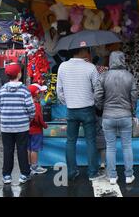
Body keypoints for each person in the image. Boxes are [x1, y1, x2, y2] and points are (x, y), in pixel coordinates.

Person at [56, 47, 103, 181]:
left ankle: (72, 172)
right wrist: (94, 102)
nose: (89, 53)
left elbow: (59, 91)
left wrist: (68, 102)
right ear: (82, 52)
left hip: (71, 109)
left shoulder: (63, 66)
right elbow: (98, 89)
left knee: (70, 141)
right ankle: (92, 173)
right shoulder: (90, 67)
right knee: (91, 141)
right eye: (88, 50)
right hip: (88, 109)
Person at [94, 51, 138, 185]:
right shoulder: (130, 76)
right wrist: (132, 110)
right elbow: (134, 97)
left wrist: (102, 109)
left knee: (110, 147)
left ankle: (112, 176)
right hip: (125, 115)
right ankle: (129, 175)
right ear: (123, 60)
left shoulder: (103, 76)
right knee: (127, 146)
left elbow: (97, 97)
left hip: (108, 116)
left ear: (110, 60)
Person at [0, 63, 35, 184]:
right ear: (19, 74)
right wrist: (29, 118)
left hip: (6, 127)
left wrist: (2, 120)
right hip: (22, 126)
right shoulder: (24, 91)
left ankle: (7, 175)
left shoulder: (1, 90)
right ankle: (24, 174)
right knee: (22, 149)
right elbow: (31, 109)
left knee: (8, 150)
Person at [27, 84, 48, 175]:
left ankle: (28, 165)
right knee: (34, 149)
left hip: (27, 130)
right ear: (37, 94)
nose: (42, 95)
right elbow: (38, 118)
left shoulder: (27, 103)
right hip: (36, 131)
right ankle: (34, 167)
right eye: (40, 93)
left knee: (28, 148)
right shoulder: (36, 105)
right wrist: (45, 125)